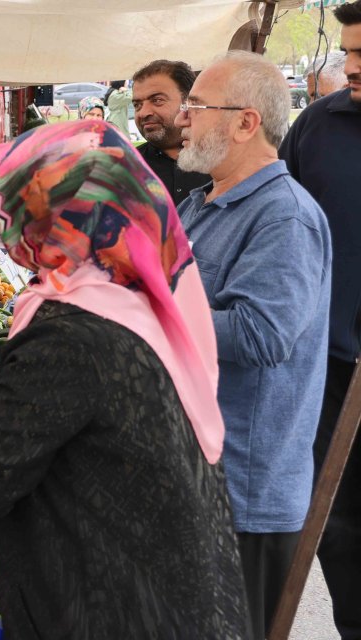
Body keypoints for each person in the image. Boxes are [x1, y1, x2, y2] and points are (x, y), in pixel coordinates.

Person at [0, 120, 249, 639]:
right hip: (171, 593)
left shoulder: (69, 337)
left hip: (118, 608)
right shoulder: (128, 288)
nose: (5, 224)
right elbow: (92, 389)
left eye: (17, 206)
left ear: (59, 215)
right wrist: (5, 369)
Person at [176, 50, 332, 639]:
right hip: (197, 476)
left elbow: (261, 335)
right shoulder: (204, 204)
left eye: (197, 105)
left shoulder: (283, 217)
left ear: (246, 122)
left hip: (244, 493)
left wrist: (147, 315)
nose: (184, 118)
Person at [279, 3, 361, 637]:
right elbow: (283, 227)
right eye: (350, 52)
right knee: (337, 522)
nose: (351, 68)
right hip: (332, 365)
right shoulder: (318, 127)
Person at [131, 59, 212, 205]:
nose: (143, 113)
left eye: (157, 100)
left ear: (189, 103)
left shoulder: (222, 161)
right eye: (137, 105)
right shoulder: (125, 168)